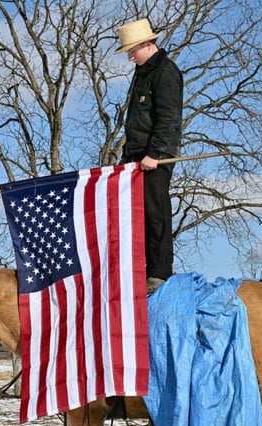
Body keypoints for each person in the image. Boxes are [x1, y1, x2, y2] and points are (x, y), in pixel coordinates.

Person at [115, 18, 183, 294]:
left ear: (149, 43)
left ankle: (159, 273)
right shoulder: (141, 71)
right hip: (133, 155)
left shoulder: (166, 72)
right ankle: (138, 269)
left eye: (133, 50)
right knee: (131, 214)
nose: (130, 56)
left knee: (156, 213)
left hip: (155, 157)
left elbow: (168, 117)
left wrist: (155, 153)